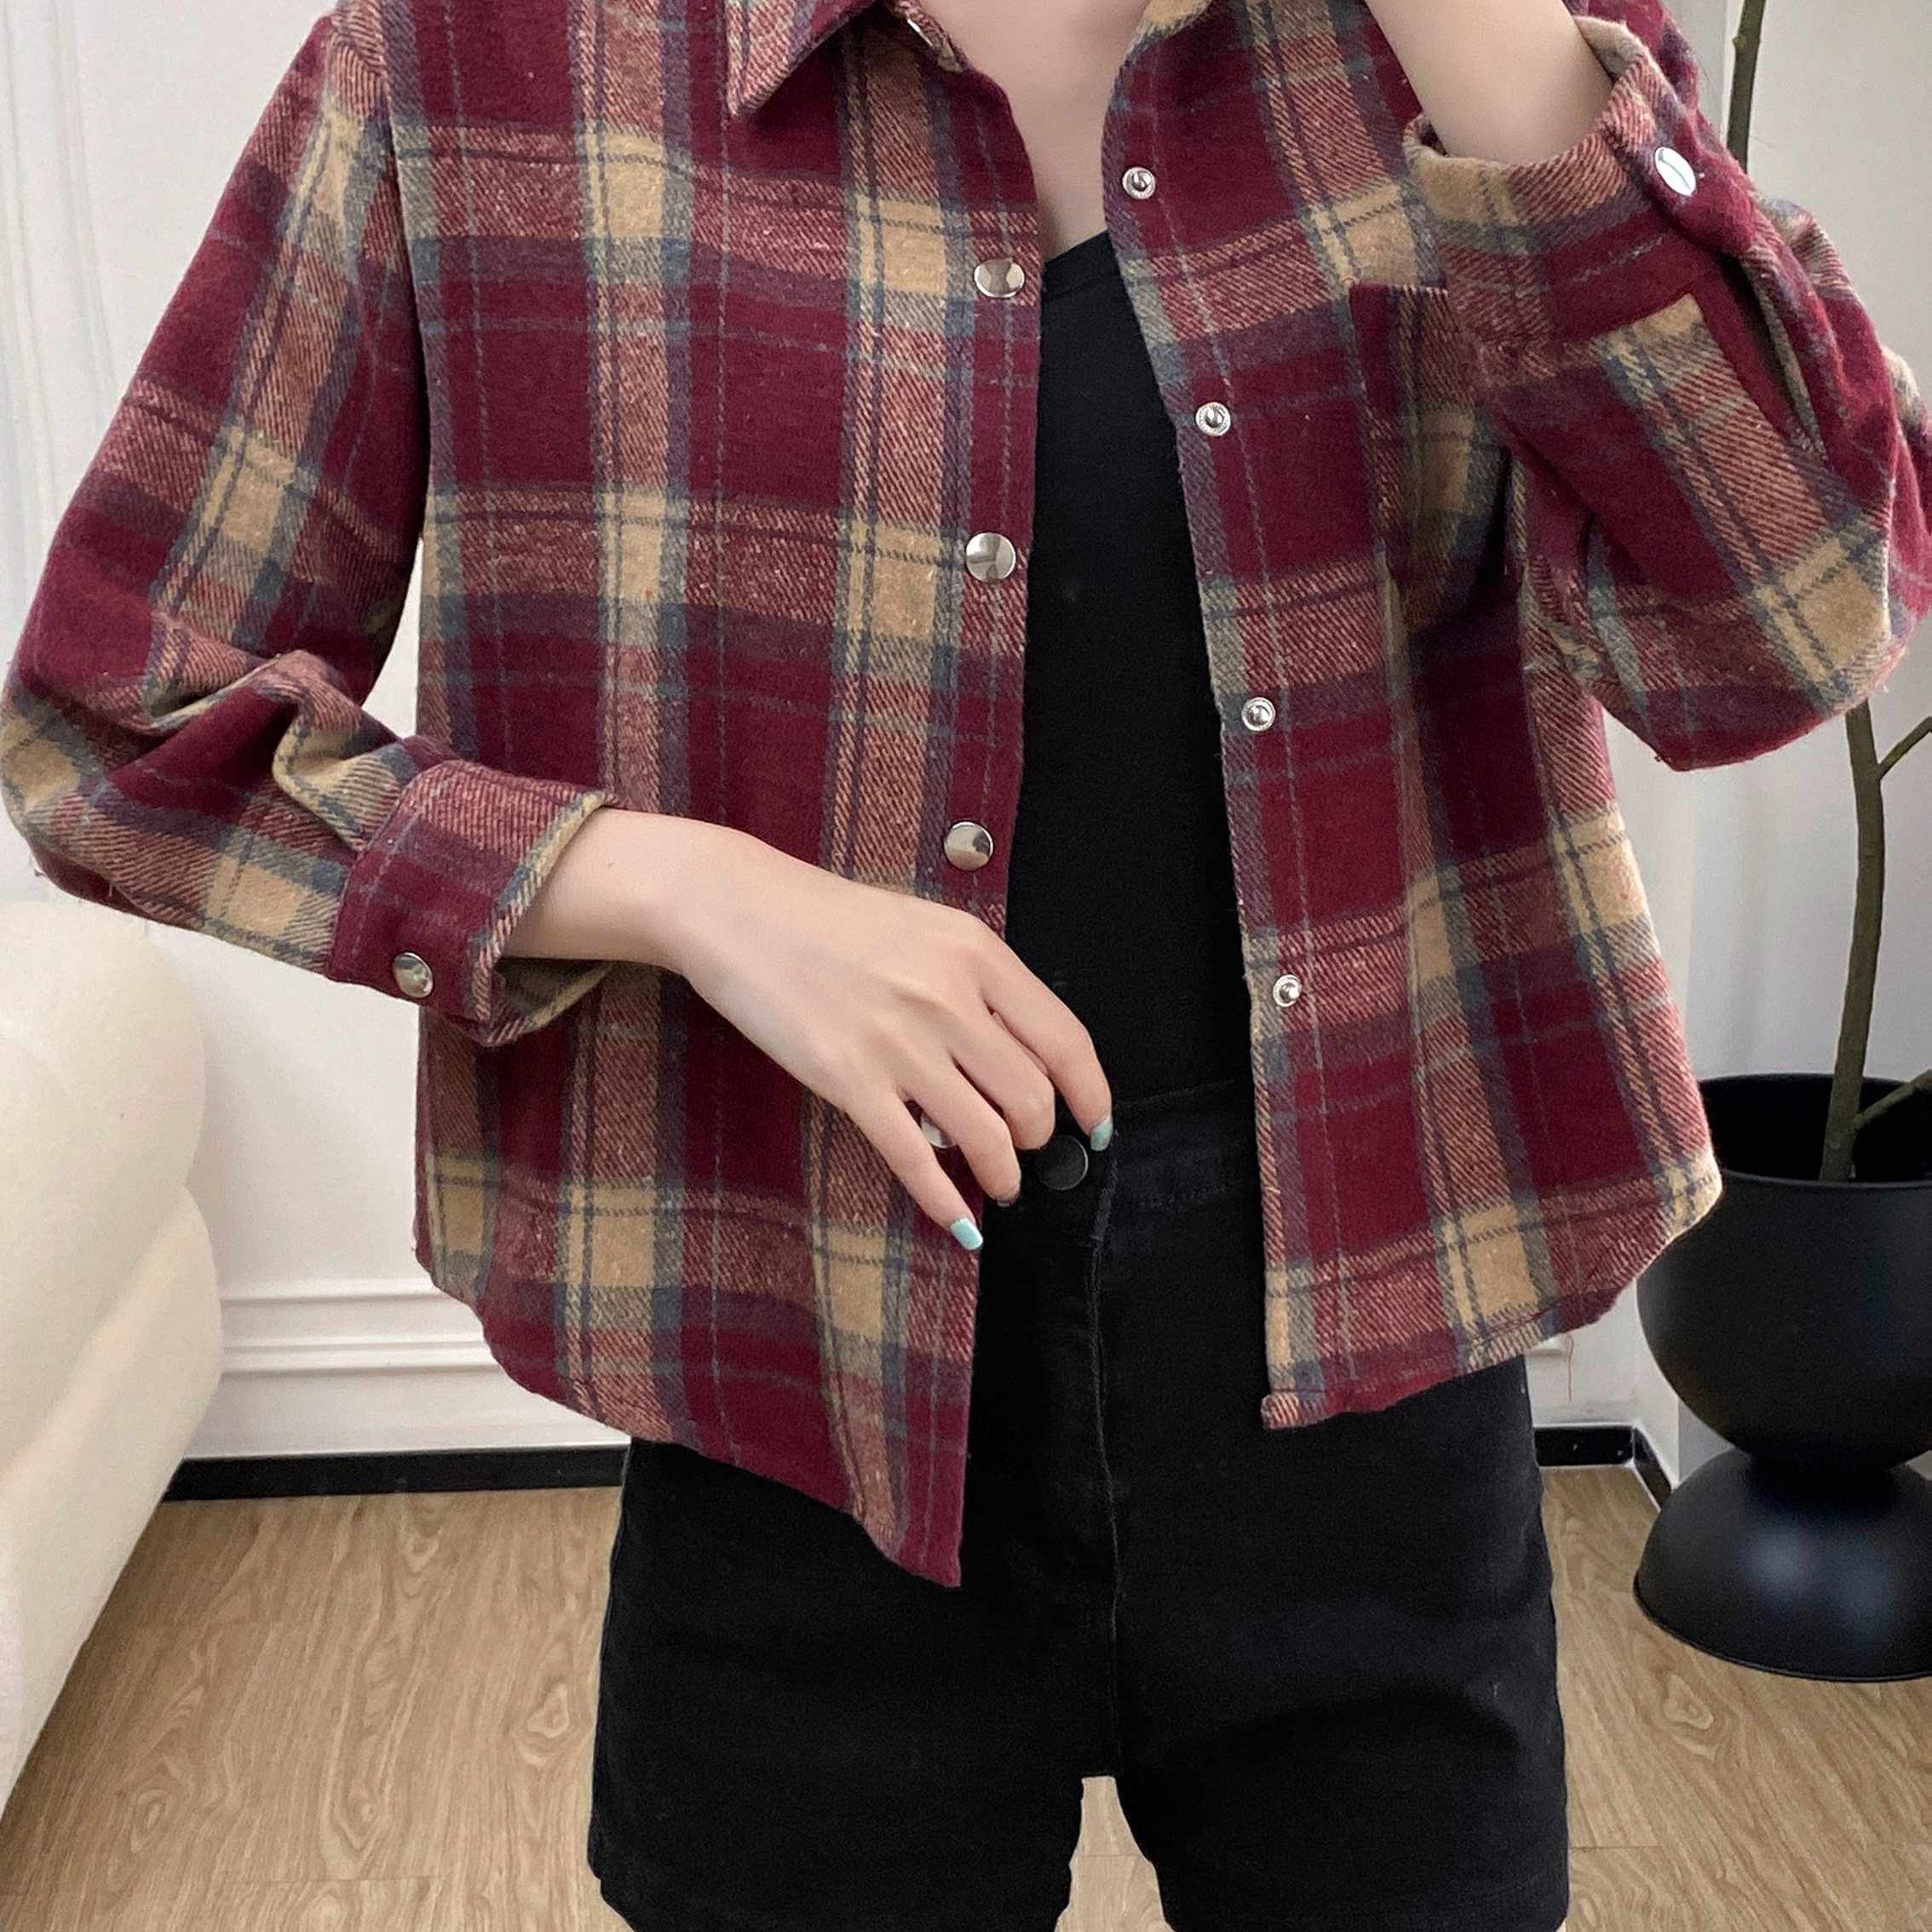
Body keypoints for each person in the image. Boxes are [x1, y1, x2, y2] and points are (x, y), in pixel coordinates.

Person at [2, 0, 1926, 1926]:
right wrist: (678, 890)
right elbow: (118, 720)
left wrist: (1495, 58)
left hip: (1377, 1345)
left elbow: (1800, 620)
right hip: (792, 1345)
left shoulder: (1472, 42)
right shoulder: (479, 60)